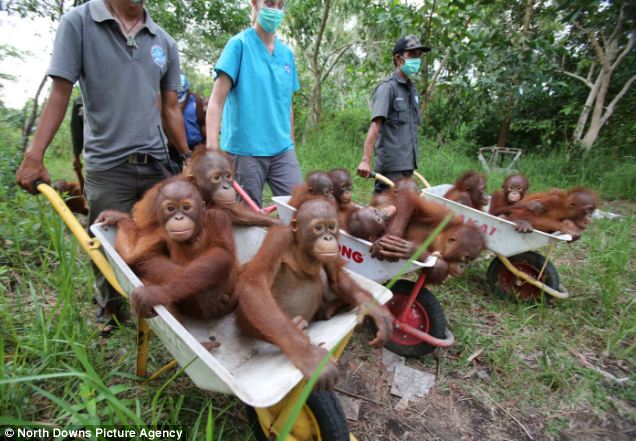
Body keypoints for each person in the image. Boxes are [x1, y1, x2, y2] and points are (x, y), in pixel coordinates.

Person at [15, 0, 190, 335]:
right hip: (108, 164)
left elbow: (170, 108)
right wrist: (35, 154)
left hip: (155, 163)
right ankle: (109, 307)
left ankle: (170, 306)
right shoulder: (79, 23)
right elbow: (60, 93)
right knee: (107, 243)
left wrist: (189, 156)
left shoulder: (163, 41)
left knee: (167, 236)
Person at [206, 0, 302, 208]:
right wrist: (212, 149)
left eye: (280, 5)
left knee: (300, 209)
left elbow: (287, 104)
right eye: (269, 3)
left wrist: (291, 142)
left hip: (282, 150)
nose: (274, 10)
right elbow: (215, 101)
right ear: (255, 3)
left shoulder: (286, 54)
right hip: (245, 151)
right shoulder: (239, 45)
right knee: (247, 216)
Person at [357, 35, 430, 193]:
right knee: (384, 210)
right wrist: (365, 161)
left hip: (408, 165)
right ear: (398, 58)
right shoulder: (387, 88)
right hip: (390, 168)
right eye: (412, 54)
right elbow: (375, 126)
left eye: (419, 55)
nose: (416, 59)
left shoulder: (413, 90)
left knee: (404, 211)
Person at [178, 74, 206, 151]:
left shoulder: (195, 99)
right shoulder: (166, 103)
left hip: (197, 145)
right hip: (176, 148)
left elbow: (202, 123)